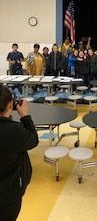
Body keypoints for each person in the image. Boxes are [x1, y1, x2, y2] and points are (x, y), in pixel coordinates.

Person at [0, 85, 39, 221]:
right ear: (10, 105)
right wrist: (25, 116)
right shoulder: (15, 131)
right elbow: (33, 140)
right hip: (9, 196)